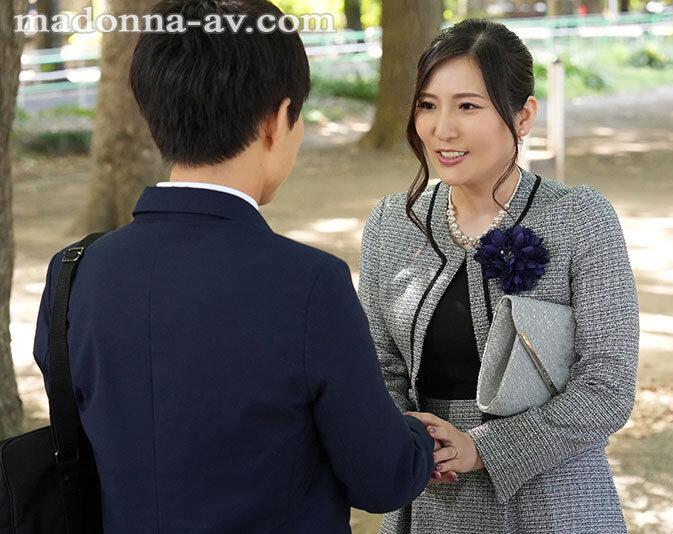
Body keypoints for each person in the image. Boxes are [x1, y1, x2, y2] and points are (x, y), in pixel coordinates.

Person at [32, 1, 434, 532]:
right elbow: (381, 478)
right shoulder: (310, 284)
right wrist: (419, 438)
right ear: (276, 120)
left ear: (153, 114)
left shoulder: (73, 274)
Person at [357, 19, 639, 534]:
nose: (442, 129)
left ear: (523, 115)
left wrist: (483, 448)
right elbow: (378, 365)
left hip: (554, 503)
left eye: (467, 106)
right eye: (427, 105)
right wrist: (411, 440)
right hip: (431, 500)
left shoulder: (580, 219)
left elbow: (608, 386)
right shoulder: (391, 223)